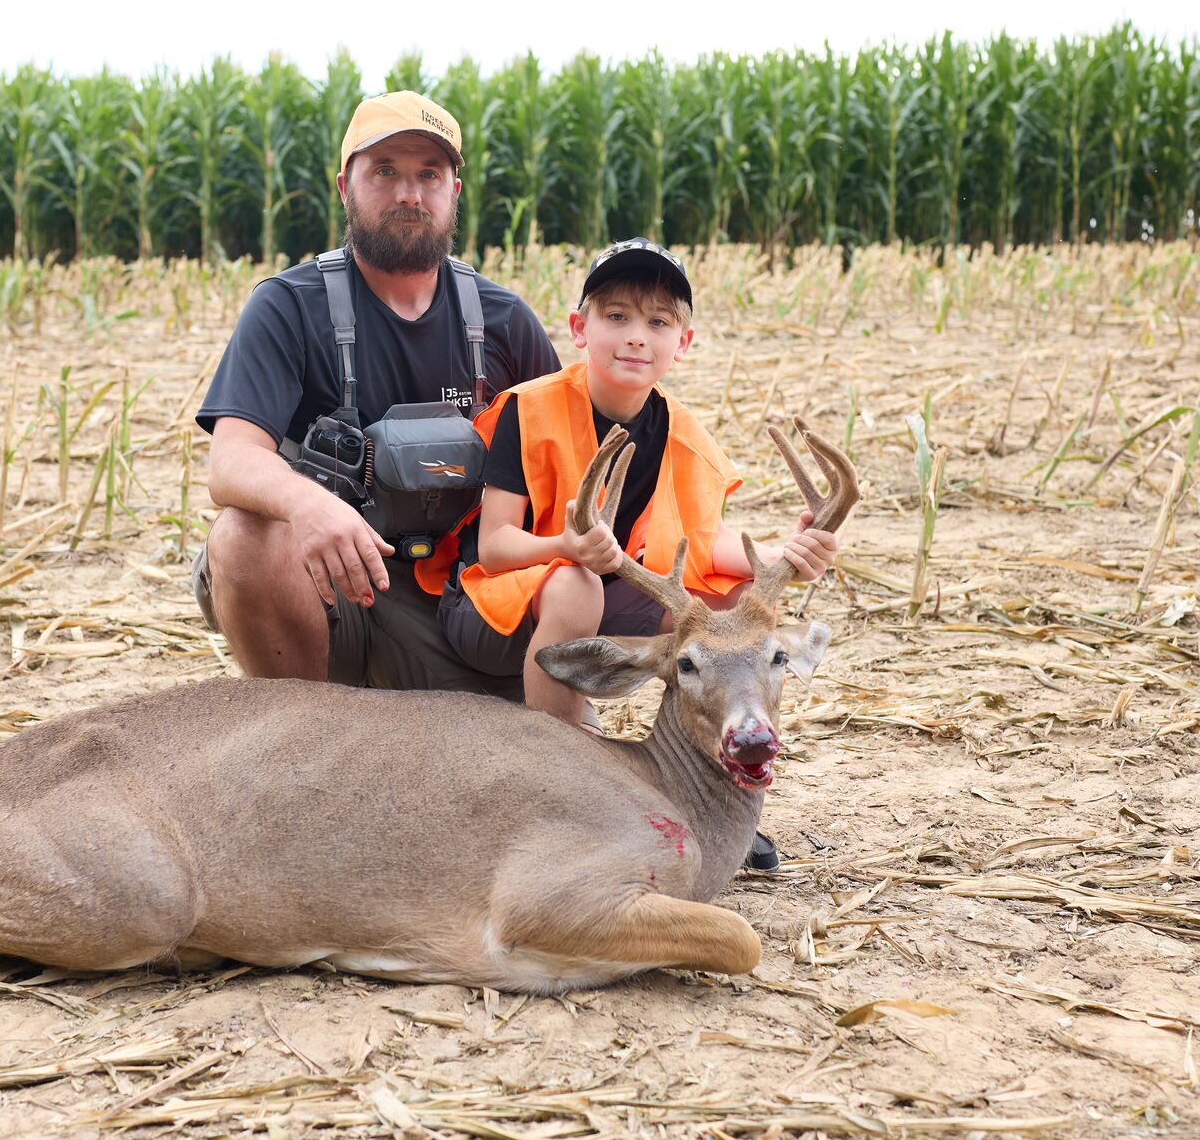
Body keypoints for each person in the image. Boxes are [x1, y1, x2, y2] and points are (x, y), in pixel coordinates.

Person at [434, 239, 838, 867]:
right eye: (615, 317)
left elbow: (699, 543)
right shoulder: (528, 410)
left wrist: (792, 551)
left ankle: (719, 792)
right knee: (576, 583)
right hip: (491, 609)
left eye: (657, 322)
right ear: (579, 328)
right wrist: (564, 546)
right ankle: (563, 795)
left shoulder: (680, 430)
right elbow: (495, 544)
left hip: (593, 610)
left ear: (684, 342)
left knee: (727, 610)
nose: (634, 337)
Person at [194, 90, 559, 694]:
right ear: (345, 186)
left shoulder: (504, 321)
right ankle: (306, 735)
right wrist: (309, 504)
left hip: (463, 607)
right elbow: (230, 461)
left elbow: (562, 468)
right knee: (242, 538)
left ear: (454, 194)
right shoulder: (287, 306)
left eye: (429, 174)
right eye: (384, 171)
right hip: (335, 597)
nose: (408, 194)